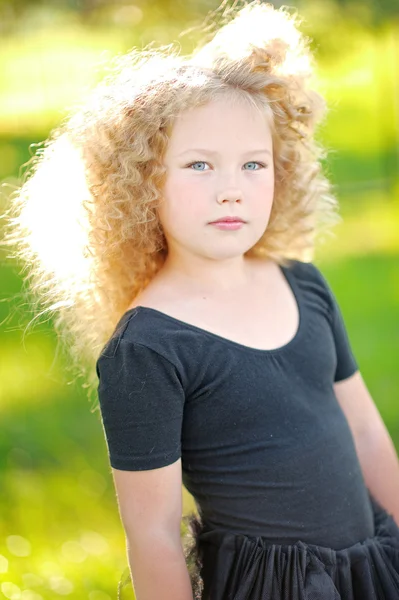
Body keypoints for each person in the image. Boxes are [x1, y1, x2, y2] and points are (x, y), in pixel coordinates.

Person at [3, 1, 399, 599]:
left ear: (281, 171)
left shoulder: (302, 284)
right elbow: (153, 533)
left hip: (369, 566)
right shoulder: (149, 349)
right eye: (199, 165)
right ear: (141, 186)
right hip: (276, 587)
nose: (231, 190)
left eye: (252, 164)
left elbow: (366, 432)